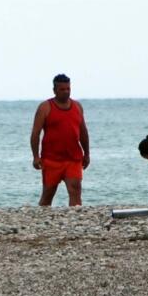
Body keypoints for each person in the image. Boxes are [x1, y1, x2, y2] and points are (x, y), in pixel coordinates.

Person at [30, 73, 91, 206]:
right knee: (48, 193)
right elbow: (35, 133)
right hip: (51, 159)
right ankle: (43, 219)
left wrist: (87, 154)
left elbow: (83, 132)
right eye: (62, 89)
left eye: (68, 89)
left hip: (73, 158)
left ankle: (75, 219)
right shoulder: (45, 107)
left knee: (75, 189)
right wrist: (36, 156)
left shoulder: (77, 107)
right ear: (55, 90)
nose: (66, 92)